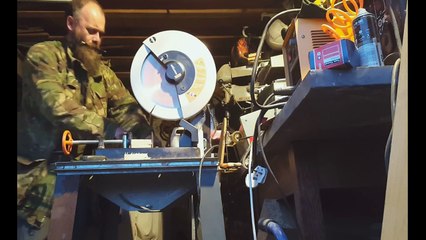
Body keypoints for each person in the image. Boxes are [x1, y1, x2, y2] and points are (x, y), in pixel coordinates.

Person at [17, 0, 152, 239]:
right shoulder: (43, 56)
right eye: (91, 31)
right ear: (71, 23)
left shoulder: (102, 72)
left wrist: (141, 131)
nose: (97, 38)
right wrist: (109, 128)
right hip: (41, 190)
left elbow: (127, 107)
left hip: (87, 188)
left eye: (100, 33)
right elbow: (55, 105)